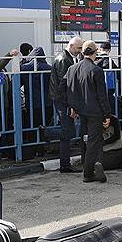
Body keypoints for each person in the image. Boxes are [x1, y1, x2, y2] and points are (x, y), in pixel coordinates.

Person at [66, 41, 112, 183]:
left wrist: (72, 107)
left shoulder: (72, 69)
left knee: (84, 140)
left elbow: (68, 89)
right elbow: (102, 95)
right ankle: (89, 171)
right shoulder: (96, 70)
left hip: (80, 111)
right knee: (93, 141)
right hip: (94, 112)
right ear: (95, 52)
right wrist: (107, 114)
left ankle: (89, 167)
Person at [50, 36, 82, 173]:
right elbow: (66, 85)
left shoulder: (64, 58)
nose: (80, 51)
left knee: (67, 130)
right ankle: (65, 164)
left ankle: (65, 164)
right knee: (67, 131)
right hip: (63, 101)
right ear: (71, 45)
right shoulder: (64, 60)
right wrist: (71, 106)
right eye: (78, 48)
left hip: (61, 100)